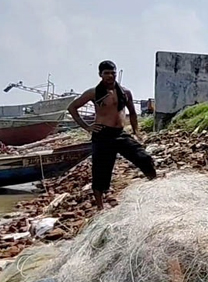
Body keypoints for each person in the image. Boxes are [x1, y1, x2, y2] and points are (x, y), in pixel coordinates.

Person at [67, 60, 157, 210]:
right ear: (100, 75)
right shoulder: (94, 92)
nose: (110, 76)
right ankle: (100, 208)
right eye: (106, 73)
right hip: (102, 134)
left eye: (112, 72)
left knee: (144, 158)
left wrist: (136, 132)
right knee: (100, 172)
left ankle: (155, 187)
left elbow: (133, 113)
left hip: (120, 133)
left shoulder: (125, 92)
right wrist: (87, 127)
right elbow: (72, 108)